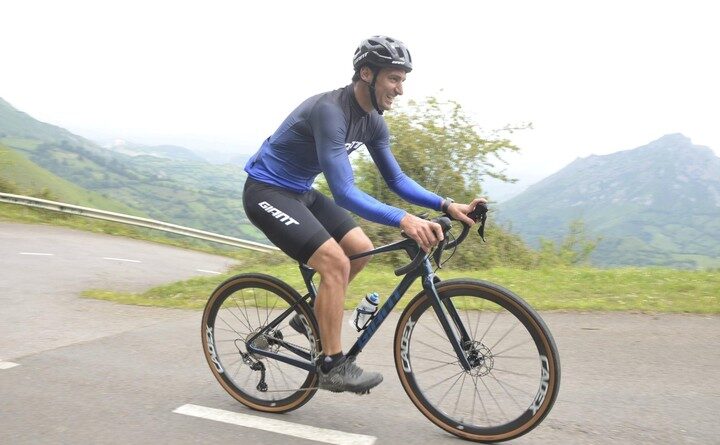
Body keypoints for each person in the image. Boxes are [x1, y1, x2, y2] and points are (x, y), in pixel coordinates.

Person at [243, 35, 486, 394]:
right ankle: (332, 366)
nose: (400, 89)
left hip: (301, 191)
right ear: (367, 74)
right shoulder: (330, 111)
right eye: (394, 78)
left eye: (403, 80)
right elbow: (344, 192)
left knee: (360, 249)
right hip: (267, 191)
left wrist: (447, 205)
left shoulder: (373, 122)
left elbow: (396, 179)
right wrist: (404, 219)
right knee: (335, 263)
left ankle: (309, 318)